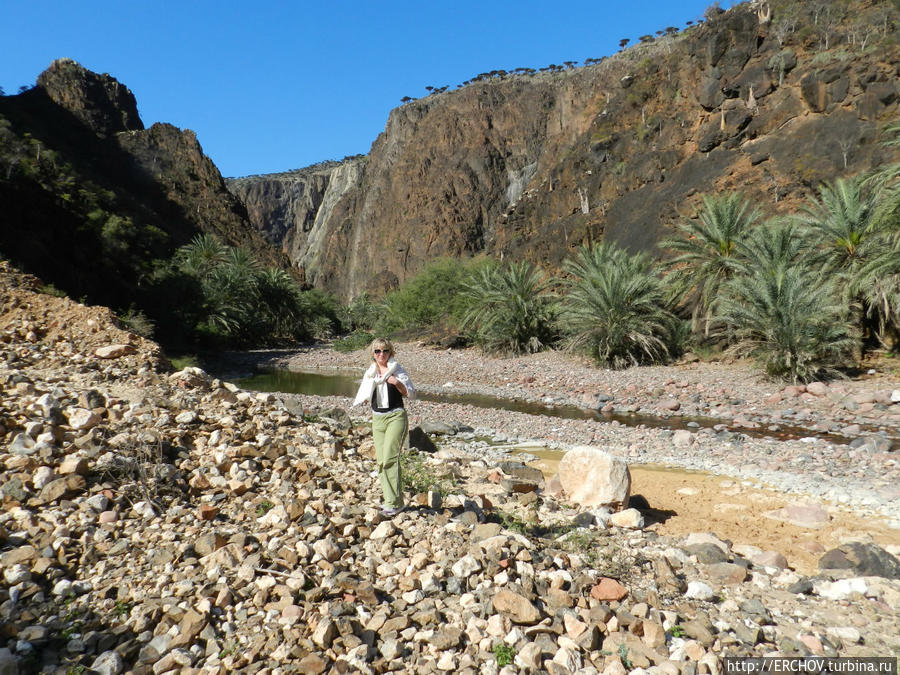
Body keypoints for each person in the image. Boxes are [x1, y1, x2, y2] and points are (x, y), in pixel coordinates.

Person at [352, 338, 416, 515]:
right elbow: (365, 393)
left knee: (390, 458)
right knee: (381, 461)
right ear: (372, 354)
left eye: (385, 351)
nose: (381, 354)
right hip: (378, 419)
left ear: (391, 352)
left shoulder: (397, 370)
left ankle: (394, 503)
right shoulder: (370, 372)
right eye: (377, 351)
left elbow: (411, 393)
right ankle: (392, 500)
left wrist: (397, 383)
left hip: (395, 416)